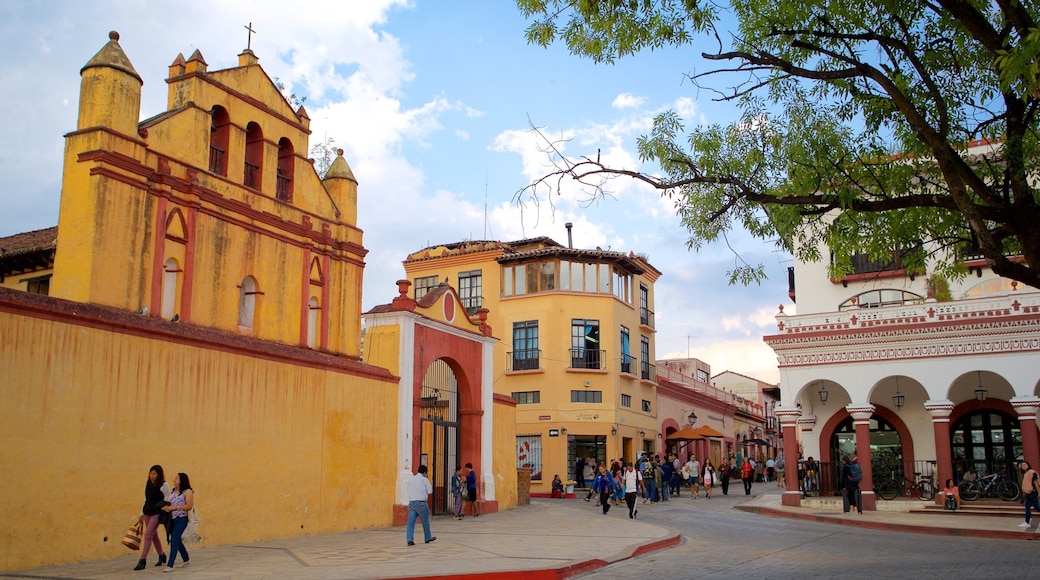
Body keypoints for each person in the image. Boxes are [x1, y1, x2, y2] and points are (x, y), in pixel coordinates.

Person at [134, 465, 170, 571]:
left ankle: (142, 560)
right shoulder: (149, 484)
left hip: (157, 512)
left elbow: (167, 497)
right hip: (147, 512)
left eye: (154, 474)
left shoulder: (164, 485)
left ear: (159, 474)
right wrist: (141, 513)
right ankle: (161, 554)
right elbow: (147, 499)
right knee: (153, 535)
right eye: (151, 473)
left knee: (148, 534)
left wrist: (163, 508)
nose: (152, 476)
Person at [160, 472, 193, 572]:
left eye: (176, 479)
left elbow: (189, 506)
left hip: (181, 518)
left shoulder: (187, 492)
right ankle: (186, 558)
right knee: (176, 539)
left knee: (174, 540)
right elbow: (168, 501)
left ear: (182, 480)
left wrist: (175, 507)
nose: (174, 480)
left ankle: (170, 564)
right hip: (172, 519)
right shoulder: (173, 491)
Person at [404, 465, 436, 545]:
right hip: (421, 503)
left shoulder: (411, 479)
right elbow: (430, 491)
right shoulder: (424, 480)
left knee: (411, 522)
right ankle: (427, 537)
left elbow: (407, 489)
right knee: (425, 521)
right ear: (425, 472)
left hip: (412, 503)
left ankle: (409, 539)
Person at [1019, 461, 1039, 529]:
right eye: (1022, 465)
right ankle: (1026, 522)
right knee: (1037, 507)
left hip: (1032, 493)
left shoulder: (1032, 473)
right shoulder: (1026, 473)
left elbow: (1036, 484)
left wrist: (1039, 493)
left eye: (1025, 464)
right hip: (1029, 493)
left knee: (1027, 506)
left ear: (1028, 465)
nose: (1023, 466)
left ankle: (1027, 522)